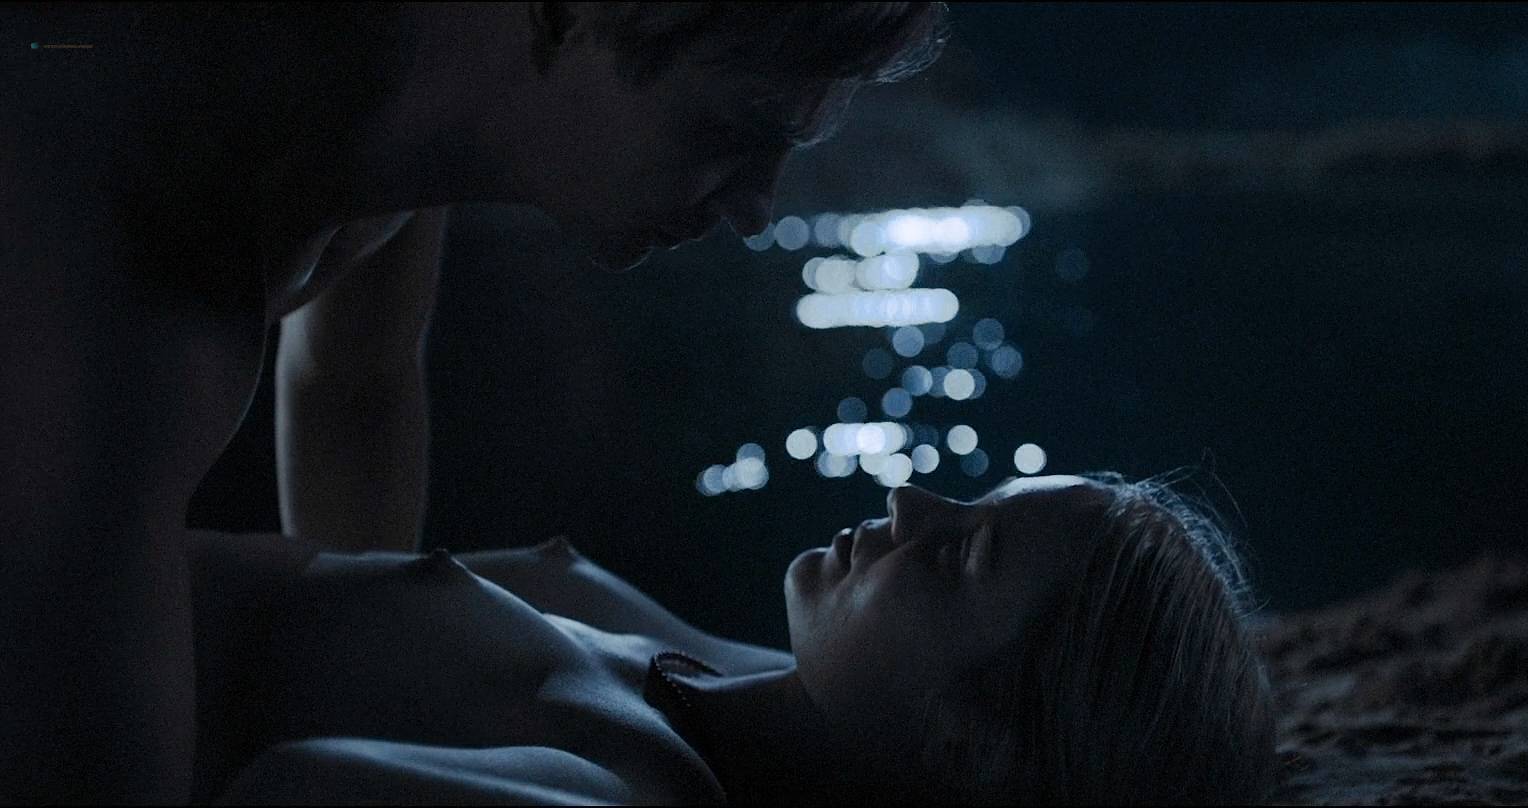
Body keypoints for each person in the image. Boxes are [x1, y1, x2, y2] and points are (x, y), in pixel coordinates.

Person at [0, 4, 946, 802]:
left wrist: (388, 682)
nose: (758, 208)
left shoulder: (393, 109)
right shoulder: (130, 248)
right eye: (731, 130)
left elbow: (353, 390)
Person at [189, 473, 1283, 805]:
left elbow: (291, 791)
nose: (910, 503)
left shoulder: (627, 789)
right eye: (971, 498)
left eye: (959, 556)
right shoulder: (748, 691)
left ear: (974, 748)